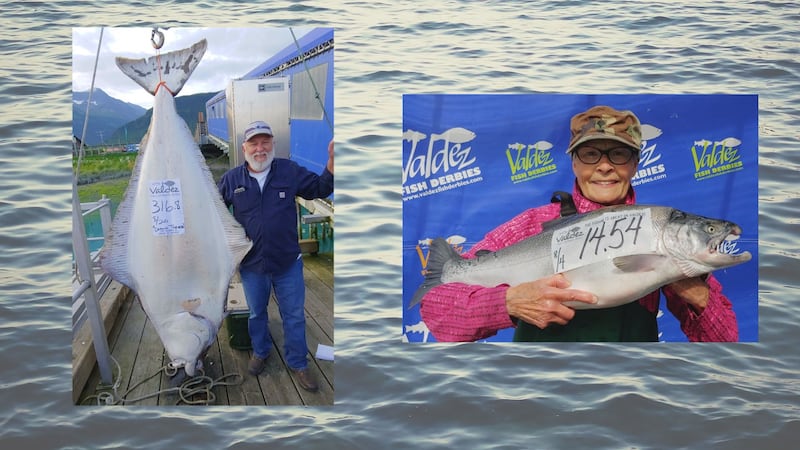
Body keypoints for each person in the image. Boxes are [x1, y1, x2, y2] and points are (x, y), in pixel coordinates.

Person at [419, 105, 738, 343]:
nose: (604, 167)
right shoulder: (529, 225)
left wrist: (696, 294)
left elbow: (725, 344)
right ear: (573, 162)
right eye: (590, 154)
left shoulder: (664, 231)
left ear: (636, 164)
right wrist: (509, 302)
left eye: (618, 154)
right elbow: (436, 312)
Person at [218, 120, 333, 391]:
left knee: (294, 316)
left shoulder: (289, 171)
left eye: (265, 142)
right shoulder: (231, 180)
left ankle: (298, 362)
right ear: (244, 148)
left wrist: (331, 164)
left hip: (287, 262)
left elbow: (319, 189)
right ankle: (261, 351)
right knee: (256, 313)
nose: (260, 149)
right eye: (254, 144)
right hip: (251, 264)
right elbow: (213, 211)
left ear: (273, 144)